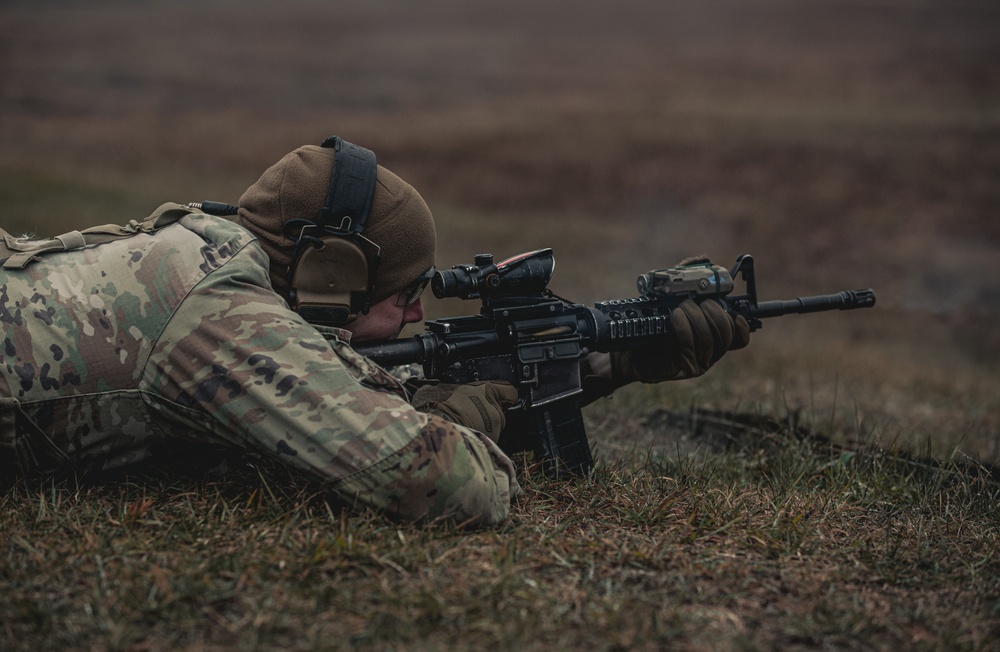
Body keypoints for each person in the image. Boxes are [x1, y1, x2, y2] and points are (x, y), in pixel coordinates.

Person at [0, 136, 748, 526]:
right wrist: (465, 415)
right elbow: (443, 482)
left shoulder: (210, 244)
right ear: (328, 274)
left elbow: (359, 376)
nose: (420, 311)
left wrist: (622, 357)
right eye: (402, 293)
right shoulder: (224, 314)